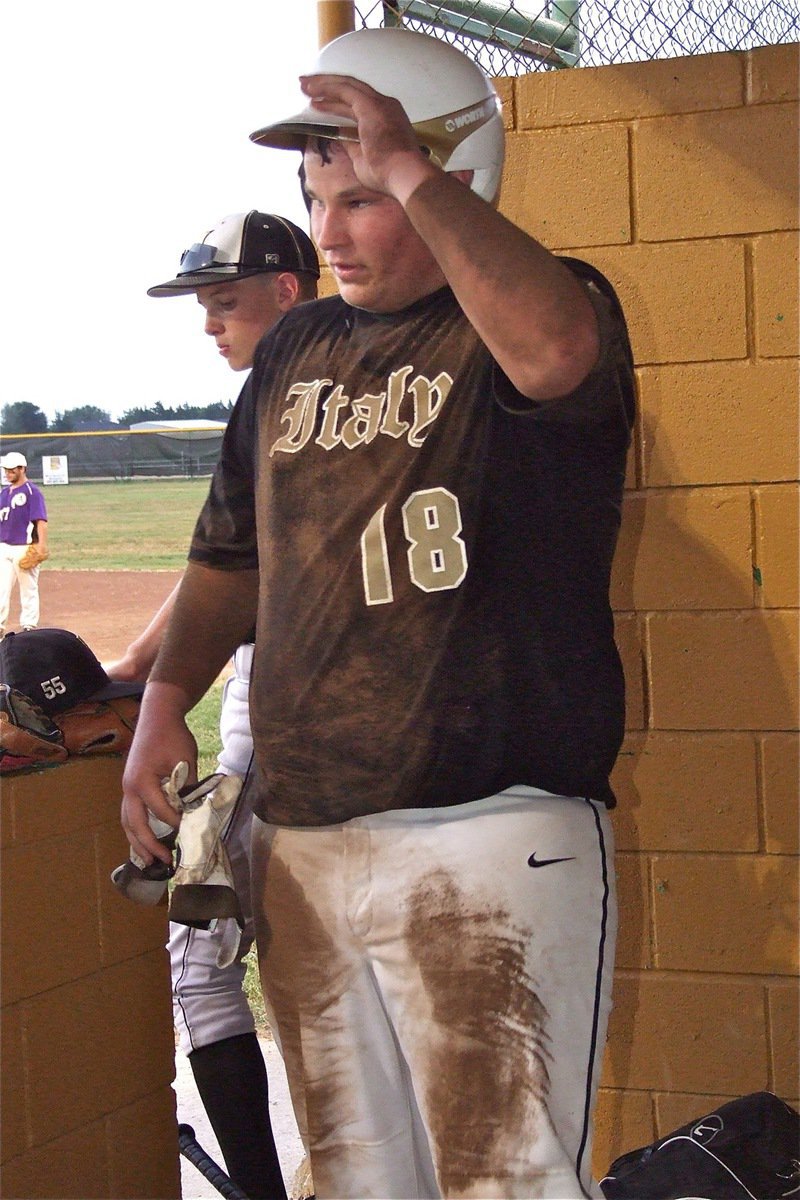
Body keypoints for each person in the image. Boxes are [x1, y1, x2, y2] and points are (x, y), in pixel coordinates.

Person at [122, 27, 635, 1200]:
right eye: (317, 199)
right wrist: (160, 704)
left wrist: (410, 165)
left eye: (361, 197)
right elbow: (227, 561)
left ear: (452, 178)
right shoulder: (296, 345)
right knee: (350, 1177)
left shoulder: (532, 311)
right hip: (302, 833)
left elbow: (555, 354)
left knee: (503, 1177)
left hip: (484, 827)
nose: (331, 230)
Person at [109, 209, 319, 1200]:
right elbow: (215, 575)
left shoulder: (292, 407)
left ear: (286, 292)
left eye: (223, 302)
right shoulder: (313, 398)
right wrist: (138, 671)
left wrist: (144, 680)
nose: (208, 325)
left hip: (269, 755)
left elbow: (225, 583)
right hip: (279, 744)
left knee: (209, 969)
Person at [0, 452, 49, 637]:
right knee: (1, 588)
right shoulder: (4, 493)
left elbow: (41, 521)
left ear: (22, 469)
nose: (8, 473)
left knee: (28, 588)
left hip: (25, 546)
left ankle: (29, 625)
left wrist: (41, 546)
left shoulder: (32, 492)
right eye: (6, 469)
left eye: (12, 469)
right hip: (3, 547)